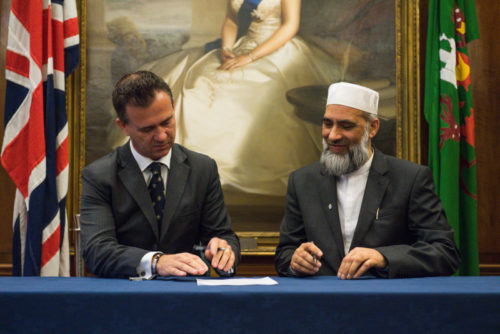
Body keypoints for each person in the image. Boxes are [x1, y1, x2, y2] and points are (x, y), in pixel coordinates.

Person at [145, 0, 342, 196]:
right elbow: (231, 20)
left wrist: (251, 57)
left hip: (276, 49)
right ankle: (194, 167)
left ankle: (232, 167)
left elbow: (290, 26)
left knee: (256, 93)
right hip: (243, 45)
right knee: (200, 83)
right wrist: (227, 49)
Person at [274, 82, 461, 279]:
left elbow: (445, 252)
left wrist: (384, 257)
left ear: (372, 128)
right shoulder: (303, 181)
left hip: (384, 302)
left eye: (346, 126)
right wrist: (295, 261)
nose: (333, 135)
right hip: (320, 303)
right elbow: (284, 254)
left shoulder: (410, 178)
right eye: (328, 124)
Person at [80, 70, 240, 278]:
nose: (162, 136)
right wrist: (156, 262)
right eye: (147, 129)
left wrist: (224, 250)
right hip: (124, 296)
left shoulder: (203, 168)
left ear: (173, 108)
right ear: (123, 126)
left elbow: (222, 235)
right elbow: (97, 251)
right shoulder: (99, 175)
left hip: (190, 296)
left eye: (167, 122)